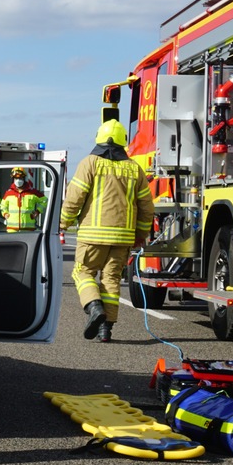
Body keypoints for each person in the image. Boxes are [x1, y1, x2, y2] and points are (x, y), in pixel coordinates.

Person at [59, 120, 153, 343]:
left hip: (93, 235)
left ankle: (93, 307)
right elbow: (147, 207)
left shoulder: (90, 163)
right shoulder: (134, 169)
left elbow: (75, 198)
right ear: (123, 142)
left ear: (99, 139)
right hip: (123, 237)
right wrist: (140, 234)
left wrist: (63, 223)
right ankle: (105, 330)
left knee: (83, 272)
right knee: (111, 279)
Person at [0, 167, 47, 232]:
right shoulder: (9, 193)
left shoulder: (32, 192)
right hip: (12, 228)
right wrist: (5, 213)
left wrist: (38, 211)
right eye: (16, 178)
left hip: (28, 228)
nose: (18, 180)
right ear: (13, 179)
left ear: (24, 178)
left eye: (20, 178)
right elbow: (3, 205)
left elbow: (44, 200)